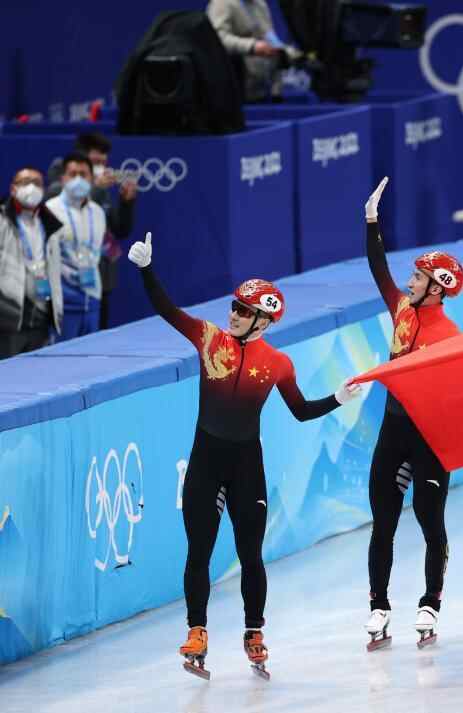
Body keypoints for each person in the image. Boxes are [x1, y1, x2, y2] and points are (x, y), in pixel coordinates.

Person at [126, 232, 362, 677]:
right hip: (206, 461)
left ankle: (254, 632)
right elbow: (168, 310)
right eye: (234, 306)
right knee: (199, 551)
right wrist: (146, 270)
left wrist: (337, 398)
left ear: (263, 322)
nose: (233, 314)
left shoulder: (278, 364)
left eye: (244, 310)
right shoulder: (208, 338)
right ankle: (197, 631)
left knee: (251, 555)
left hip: (245, 467)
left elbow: (300, 411)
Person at [361, 177, 463, 650]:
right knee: (382, 520)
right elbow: (378, 269)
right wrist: (371, 221)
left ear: (438, 289)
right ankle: (378, 605)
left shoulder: (449, 336)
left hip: (429, 436)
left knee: (428, 518)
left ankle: (430, 602)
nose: (410, 281)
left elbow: (454, 396)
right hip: (393, 429)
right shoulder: (402, 309)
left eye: (420, 277)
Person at [47, 133, 138, 330]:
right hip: (66, 286)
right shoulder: (60, 186)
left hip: (98, 281)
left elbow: (120, 230)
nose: (100, 167)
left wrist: (126, 203)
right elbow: (63, 206)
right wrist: (93, 187)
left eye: (103, 162)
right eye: (96, 162)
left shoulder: (101, 192)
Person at [0, 168, 64, 357]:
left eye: (37, 183)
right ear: (13, 189)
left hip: (41, 317)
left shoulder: (50, 223)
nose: (32, 187)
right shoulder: (2, 220)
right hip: (8, 319)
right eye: (26, 182)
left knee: (38, 372)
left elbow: (54, 269)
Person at [45, 153, 105, 340]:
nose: (78, 179)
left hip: (92, 301)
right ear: (63, 178)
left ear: (92, 178)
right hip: (64, 305)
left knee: (91, 356)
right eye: (73, 174)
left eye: (83, 174)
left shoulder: (98, 212)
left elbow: (96, 253)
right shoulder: (50, 210)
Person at [207, 0, 302, 102]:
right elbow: (216, 39)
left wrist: (290, 53)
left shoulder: (260, 3)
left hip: (260, 89)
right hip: (234, 87)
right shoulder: (221, 3)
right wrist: (252, 46)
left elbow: (270, 37)